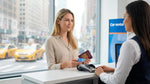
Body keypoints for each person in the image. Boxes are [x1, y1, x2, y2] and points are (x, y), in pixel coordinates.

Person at [95, 1, 150, 84]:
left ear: (133, 18)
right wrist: (115, 70)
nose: (123, 21)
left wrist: (101, 74)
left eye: (125, 17)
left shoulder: (130, 45)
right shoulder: (146, 42)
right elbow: (143, 72)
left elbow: (116, 81)